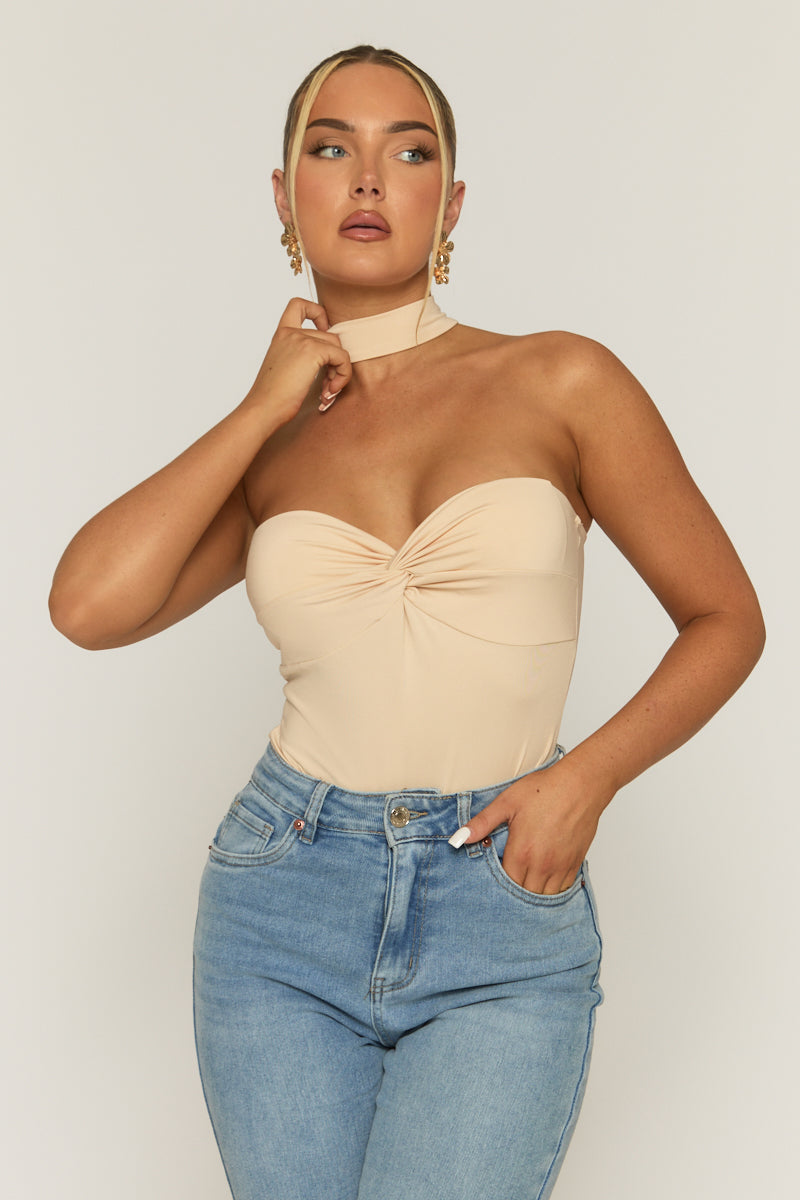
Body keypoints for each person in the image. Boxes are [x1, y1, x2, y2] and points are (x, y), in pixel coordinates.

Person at [49, 43, 765, 1200]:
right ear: (284, 196)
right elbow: (86, 605)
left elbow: (723, 617)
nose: (369, 178)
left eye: (409, 151)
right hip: (280, 902)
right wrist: (260, 408)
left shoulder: (560, 380)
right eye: (331, 148)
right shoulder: (274, 446)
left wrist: (581, 782)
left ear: (452, 204)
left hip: (498, 902)